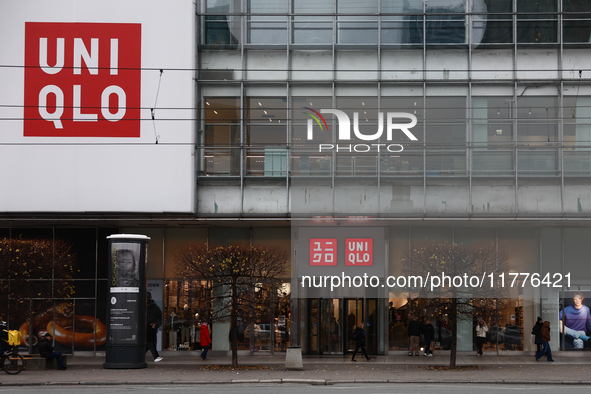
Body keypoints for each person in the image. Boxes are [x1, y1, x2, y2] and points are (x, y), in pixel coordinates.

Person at [146, 292, 163, 362]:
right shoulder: (141, 306)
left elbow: (160, 318)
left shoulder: (155, 308)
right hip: (144, 327)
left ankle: (156, 356)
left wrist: (156, 324)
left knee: (150, 342)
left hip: (150, 327)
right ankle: (156, 356)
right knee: (149, 343)